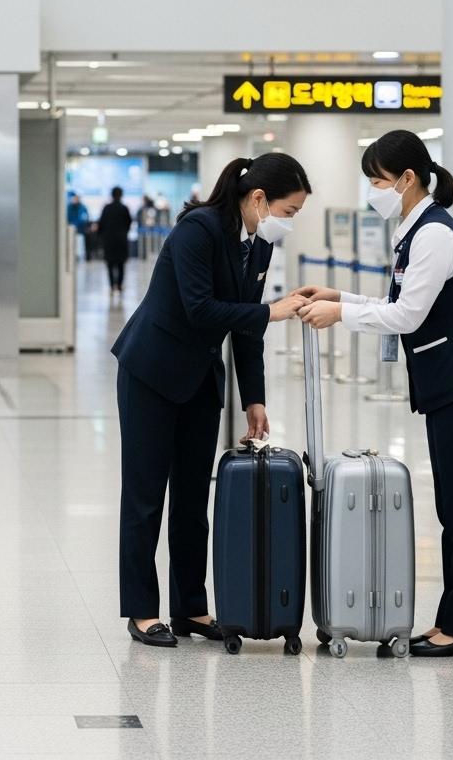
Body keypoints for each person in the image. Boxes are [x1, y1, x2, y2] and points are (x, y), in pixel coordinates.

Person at [295, 129, 453, 657]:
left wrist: (340, 314)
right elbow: (400, 302)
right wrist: (341, 296)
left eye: (378, 181)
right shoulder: (414, 230)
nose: (374, 191)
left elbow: (407, 316)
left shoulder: (433, 234)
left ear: (408, 179)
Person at [114, 153, 310, 647]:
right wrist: (271, 312)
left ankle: (191, 609)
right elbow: (200, 309)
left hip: (200, 379)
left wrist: (254, 399)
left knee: (192, 499)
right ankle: (141, 611)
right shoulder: (198, 230)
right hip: (151, 373)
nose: (288, 223)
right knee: (144, 497)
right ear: (259, 198)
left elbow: (245, 330)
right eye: (288, 211)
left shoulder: (259, 246)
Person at [97, 187, 133, 299]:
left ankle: (112, 286)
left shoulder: (106, 208)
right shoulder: (124, 208)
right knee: (121, 264)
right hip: (121, 240)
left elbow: (101, 224)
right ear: (121, 195)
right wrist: (124, 232)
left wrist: (102, 236)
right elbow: (129, 222)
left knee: (110, 264)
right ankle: (120, 286)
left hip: (109, 240)